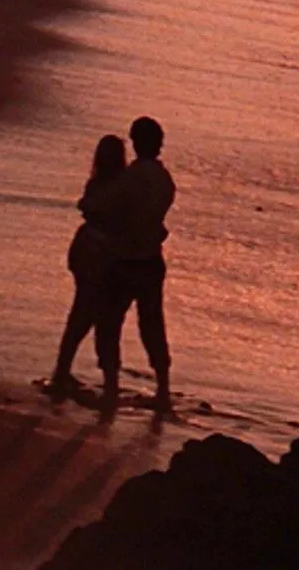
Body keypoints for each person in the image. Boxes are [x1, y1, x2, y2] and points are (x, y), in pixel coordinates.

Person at [91, 116, 177, 406]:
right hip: (152, 260)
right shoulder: (165, 179)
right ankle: (163, 388)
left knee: (109, 321)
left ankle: (111, 386)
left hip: (125, 259)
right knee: (152, 324)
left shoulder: (131, 178)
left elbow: (104, 208)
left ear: (137, 142)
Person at [44, 134, 128, 401]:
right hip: (105, 257)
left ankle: (64, 371)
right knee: (105, 321)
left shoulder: (98, 184)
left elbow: (90, 208)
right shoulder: (122, 186)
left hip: (89, 252)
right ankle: (109, 382)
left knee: (82, 315)